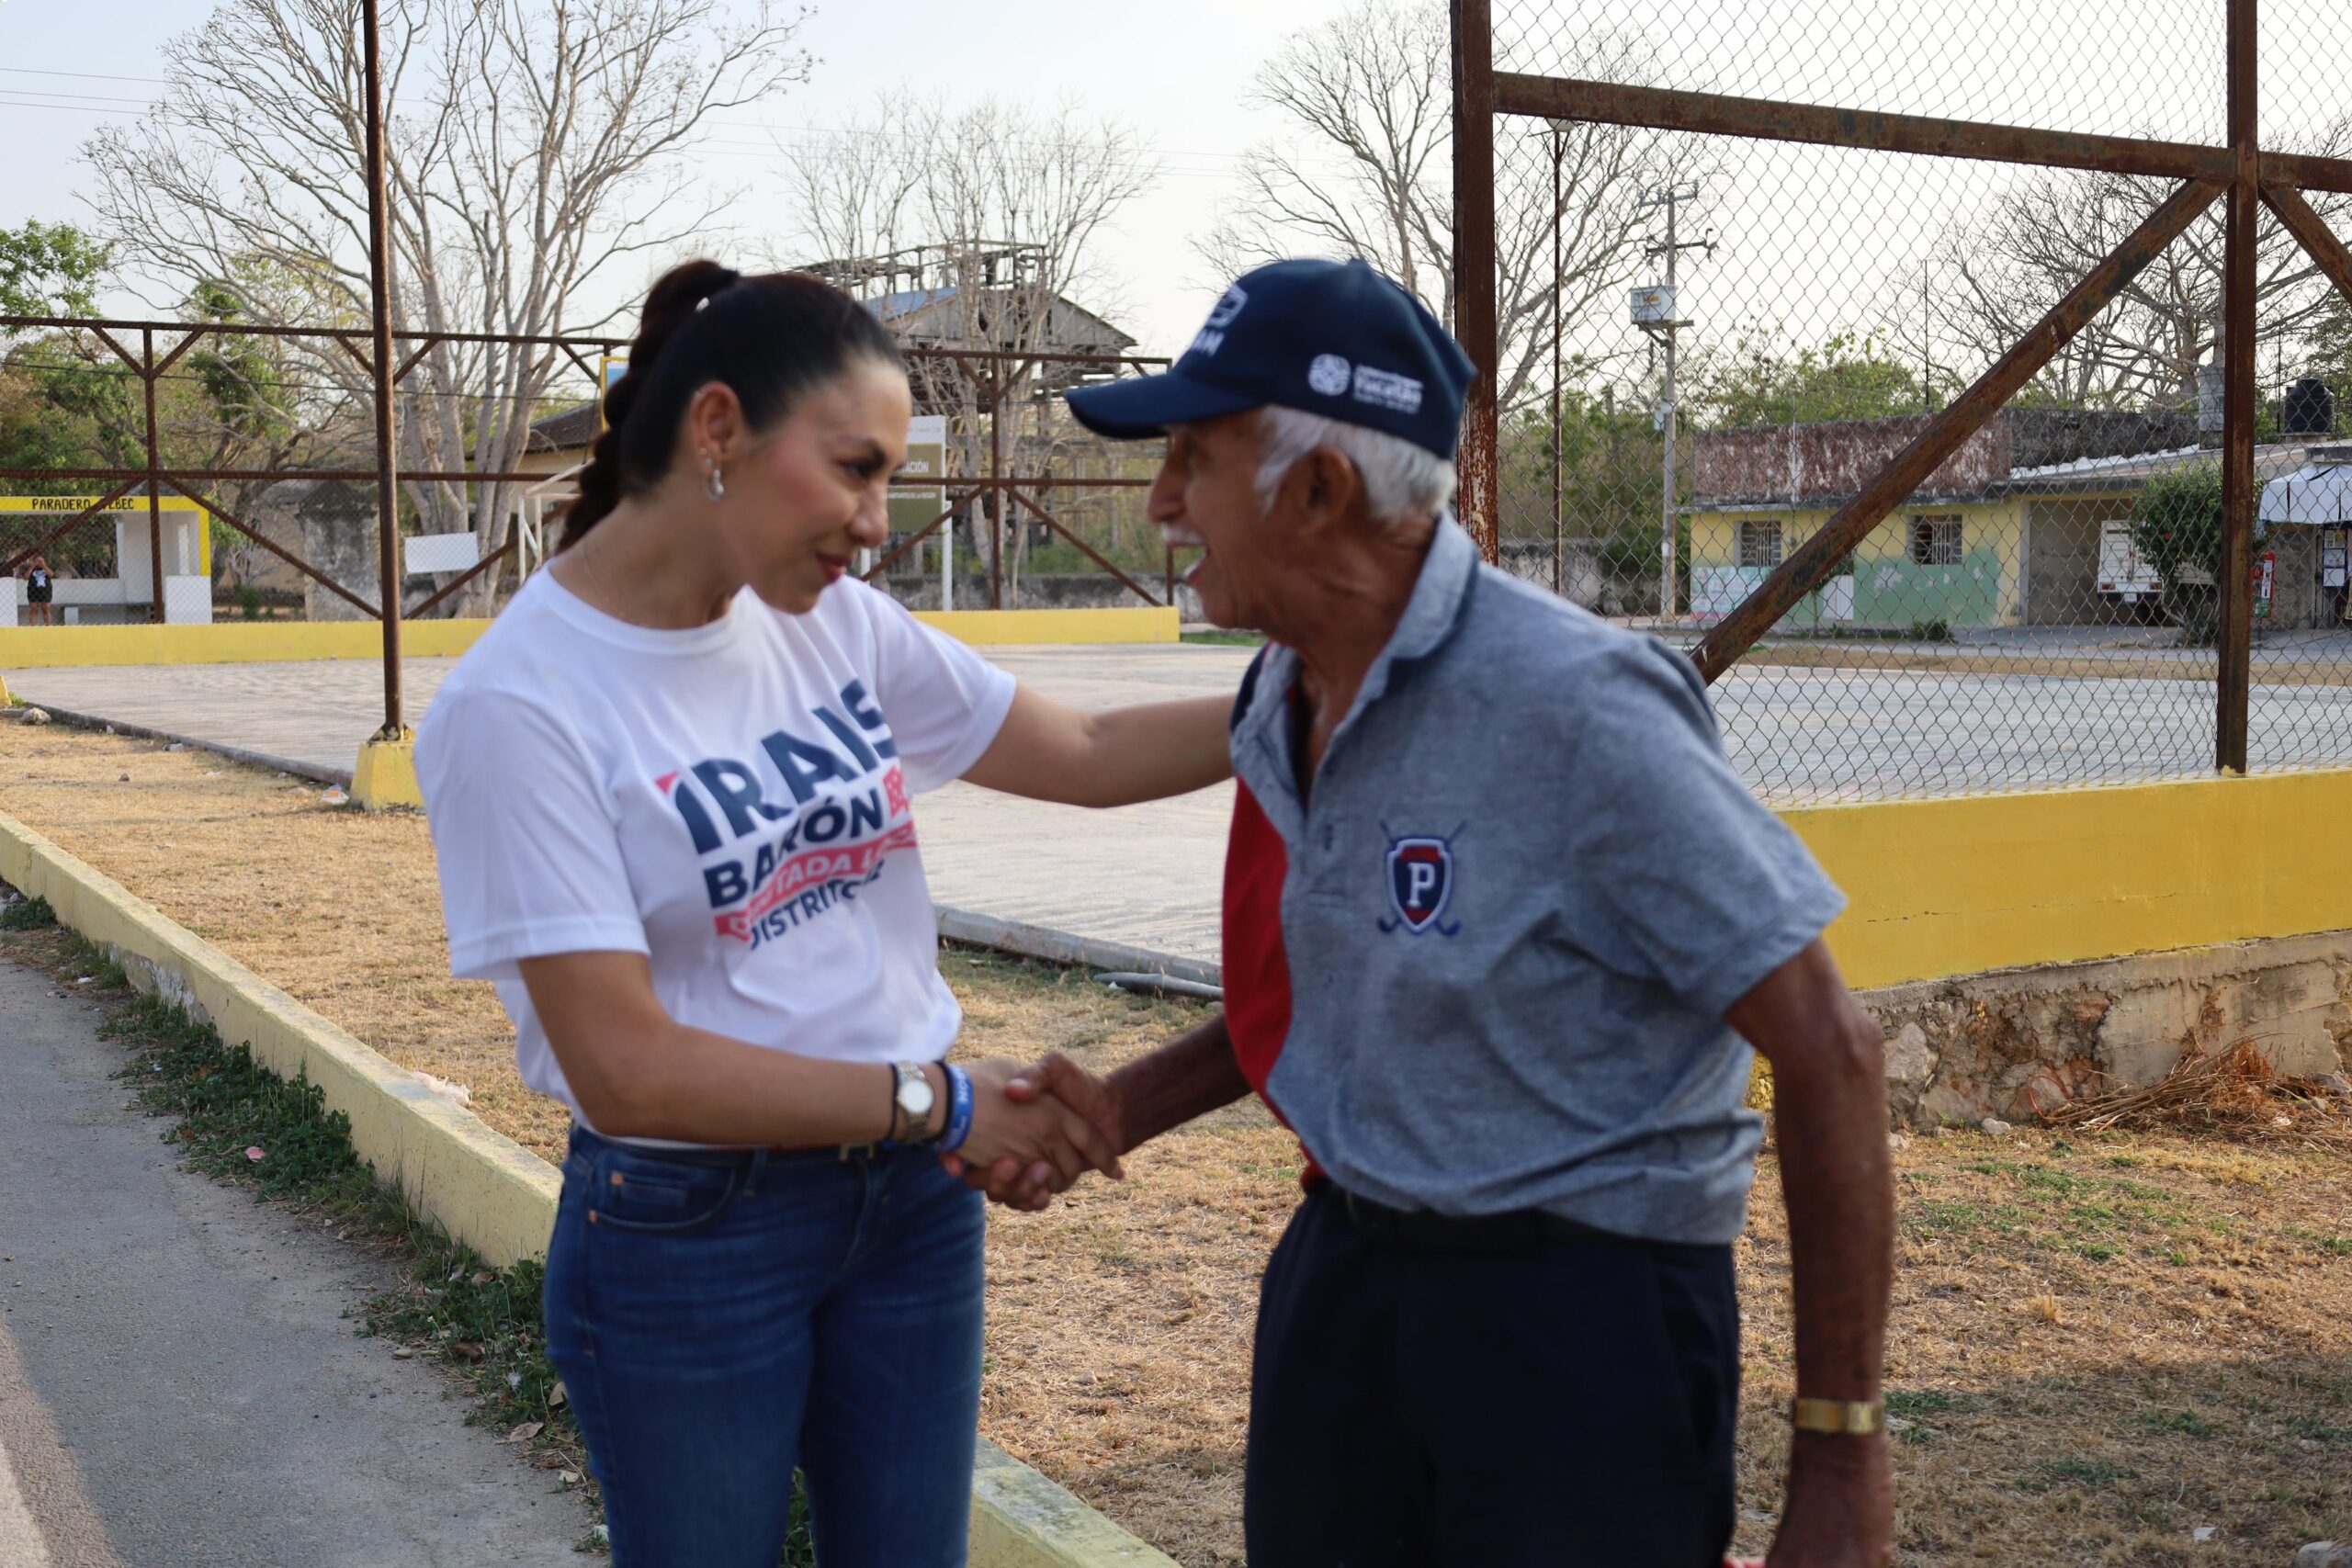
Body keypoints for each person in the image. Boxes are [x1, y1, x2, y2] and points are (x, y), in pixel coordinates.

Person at [951, 258, 1896, 1568]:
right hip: (1347, 1280)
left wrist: (1841, 1456)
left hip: (1576, 1314)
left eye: (1192, 460)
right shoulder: (1286, 690)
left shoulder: (1578, 707)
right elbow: (1358, 984)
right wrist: (1124, 1106)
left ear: (1320, 490)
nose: (1161, 502)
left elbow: (1830, 1047)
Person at [413, 261, 1217, 1568]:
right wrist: (940, 1103)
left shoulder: (835, 624)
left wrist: (1324, 692)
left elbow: (1084, 747)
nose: (874, 522)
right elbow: (626, 1066)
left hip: (910, 1209)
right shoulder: (520, 706)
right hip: (691, 1227)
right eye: (855, 470)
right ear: (717, 428)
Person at [23, 553, 54, 626]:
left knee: (46, 609)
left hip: (45, 591)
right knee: (33, 609)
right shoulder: (31, 569)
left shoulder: (46, 569)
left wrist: (44, 566)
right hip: (33, 591)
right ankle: (33, 626)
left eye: (41, 561)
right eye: (37, 561)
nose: (39, 563)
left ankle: (48, 626)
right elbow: (25, 577)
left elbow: (51, 575)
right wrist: (33, 566)